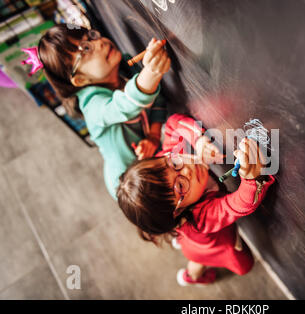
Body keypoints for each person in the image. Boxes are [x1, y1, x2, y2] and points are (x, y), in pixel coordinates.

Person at [116, 114, 275, 285]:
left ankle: (190, 266)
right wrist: (253, 179)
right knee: (244, 265)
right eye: (181, 186)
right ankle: (191, 276)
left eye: (175, 164)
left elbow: (172, 126)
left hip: (190, 243)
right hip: (211, 248)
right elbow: (237, 206)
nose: (187, 169)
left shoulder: (166, 165)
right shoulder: (201, 218)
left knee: (195, 253)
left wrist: (198, 140)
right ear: (178, 211)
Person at [37, 24, 170, 198]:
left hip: (152, 157)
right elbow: (125, 106)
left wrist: (153, 136)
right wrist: (151, 72)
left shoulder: (127, 67)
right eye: (85, 49)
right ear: (80, 79)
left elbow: (157, 98)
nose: (98, 43)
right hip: (128, 186)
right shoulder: (92, 106)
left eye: (91, 36)